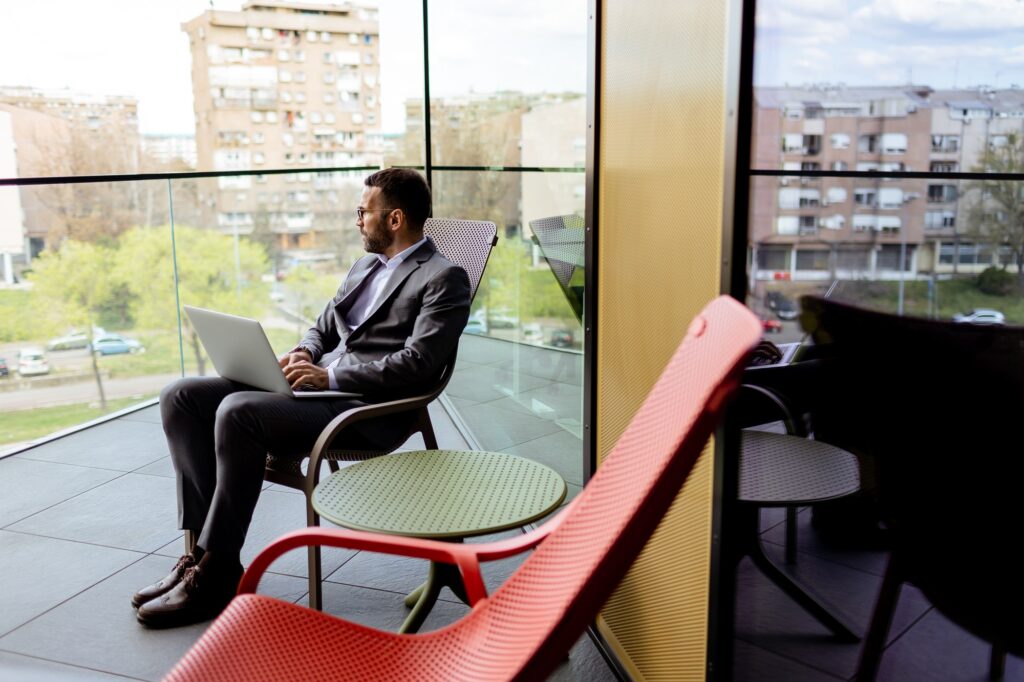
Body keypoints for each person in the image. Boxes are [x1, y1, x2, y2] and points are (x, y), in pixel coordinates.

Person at [132, 168, 471, 628]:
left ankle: (216, 574)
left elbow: (418, 364)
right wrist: (305, 351)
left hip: (366, 408)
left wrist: (328, 375)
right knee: (182, 396)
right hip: (323, 392)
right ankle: (201, 556)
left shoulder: (442, 277)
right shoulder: (364, 266)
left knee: (237, 413)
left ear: (394, 219)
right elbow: (324, 324)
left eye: (363, 211)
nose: (357, 220)